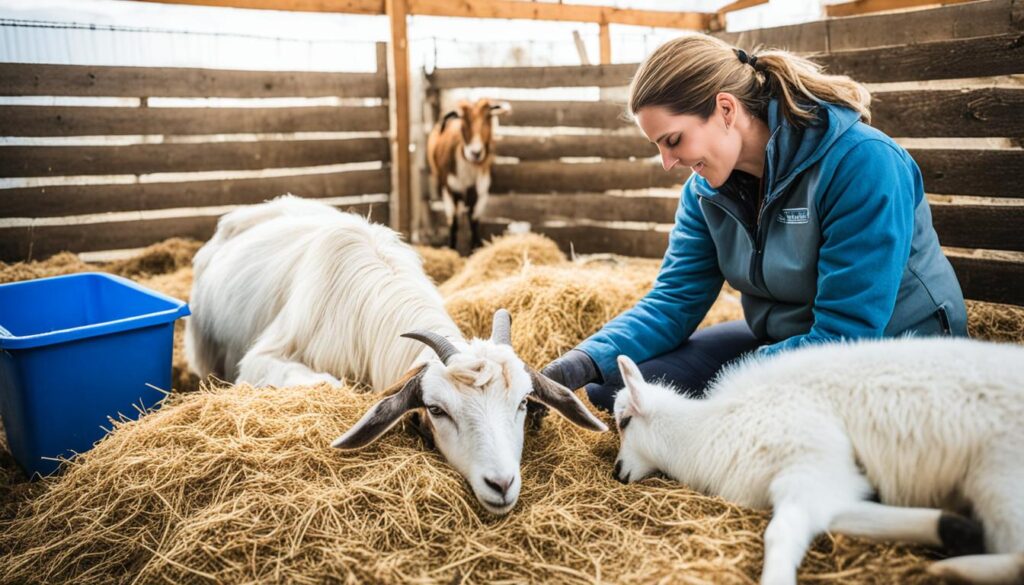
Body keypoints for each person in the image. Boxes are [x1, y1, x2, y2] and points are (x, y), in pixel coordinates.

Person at [540, 33, 967, 412]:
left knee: (696, 405)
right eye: (659, 147)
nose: (668, 163)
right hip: (788, 342)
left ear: (726, 109)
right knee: (616, 390)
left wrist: (728, 383)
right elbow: (673, 301)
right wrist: (577, 365)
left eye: (673, 141)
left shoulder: (862, 163)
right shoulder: (704, 192)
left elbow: (845, 337)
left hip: (892, 350)